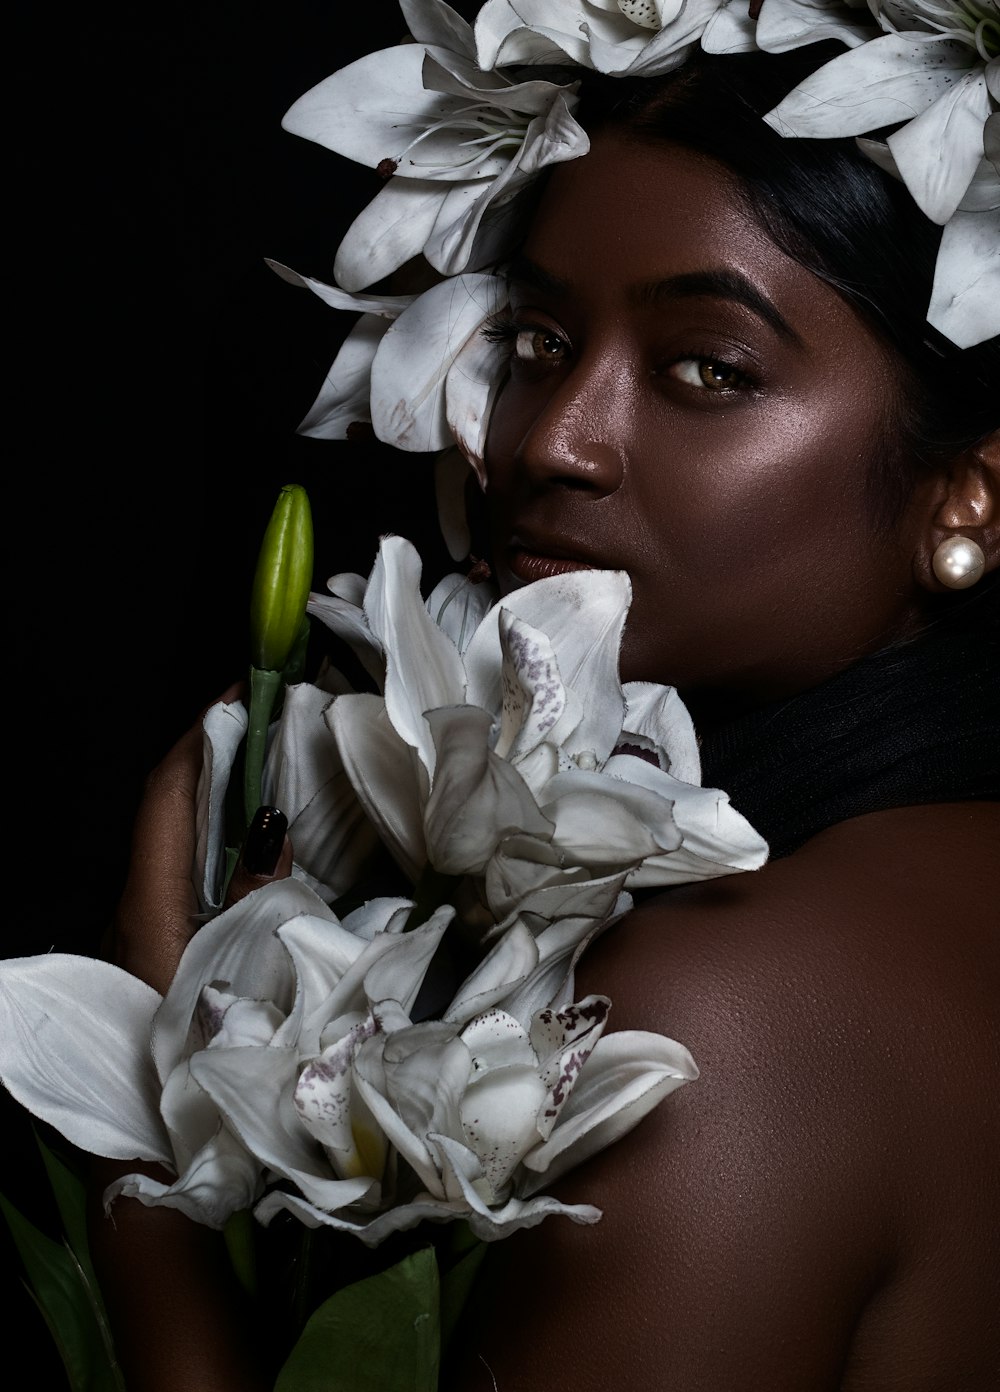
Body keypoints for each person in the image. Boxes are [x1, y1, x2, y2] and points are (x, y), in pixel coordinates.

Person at [69, 11, 1000, 1391]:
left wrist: (155, 1161)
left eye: (706, 369)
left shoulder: (720, 1014)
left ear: (967, 495)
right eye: (539, 341)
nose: (548, 442)